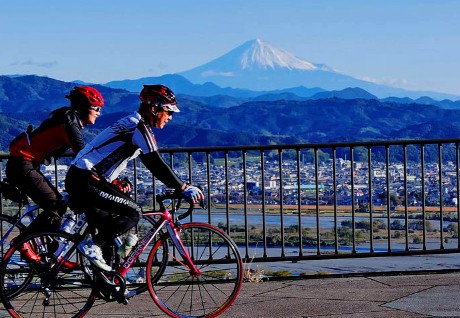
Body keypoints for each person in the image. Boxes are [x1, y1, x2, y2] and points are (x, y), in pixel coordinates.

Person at [65, 84, 204, 271]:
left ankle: (109, 281)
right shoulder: (137, 126)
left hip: (85, 177)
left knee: (109, 229)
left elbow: (149, 161)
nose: (170, 117)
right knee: (134, 212)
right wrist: (183, 187)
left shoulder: (135, 124)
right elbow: (156, 163)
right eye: (168, 112)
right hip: (86, 178)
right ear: (154, 108)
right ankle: (91, 245)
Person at [6, 86, 105, 264]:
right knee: (55, 204)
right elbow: (84, 155)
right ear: (83, 107)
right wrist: (104, 178)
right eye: (96, 108)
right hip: (23, 165)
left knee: (58, 205)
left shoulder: (68, 118)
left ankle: (54, 255)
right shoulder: (68, 122)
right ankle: (24, 242)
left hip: (25, 164)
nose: (99, 113)